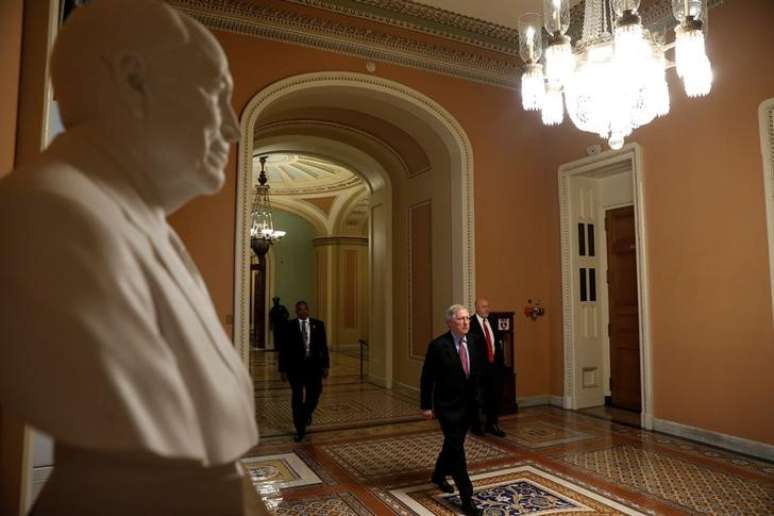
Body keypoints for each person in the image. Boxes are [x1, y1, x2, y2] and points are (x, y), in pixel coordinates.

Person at [0, 1, 265, 514]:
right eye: (216, 95)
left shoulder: (145, 226)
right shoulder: (44, 217)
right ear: (133, 79)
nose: (232, 128)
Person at [420, 305, 483, 516]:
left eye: (467, 319)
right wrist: (427, 406)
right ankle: (467, 498)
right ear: (449, 323)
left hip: (469, 407)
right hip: (447, 407)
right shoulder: (438, 346)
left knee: (453, 444)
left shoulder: (474, 341)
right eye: (460, 319)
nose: (466, 323)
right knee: (457, 450)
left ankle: (438, 474)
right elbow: (428, 378)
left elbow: (477, 374)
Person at [279, 301, 329, 442]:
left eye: (304, 309)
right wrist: (282, 369)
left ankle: (305, 414)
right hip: (295, 369)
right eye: (299, 309)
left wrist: (326, 366)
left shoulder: (318, 325)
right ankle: (300, 429)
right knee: (297, 397)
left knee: (315, 394)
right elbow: (283, 349)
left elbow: (323, 347)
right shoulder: (289, 326)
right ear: (296, 311)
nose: (302, 311)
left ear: (308, 310)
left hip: (314, 368)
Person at [468, 298, 507, 437]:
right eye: (484, 306)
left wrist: (501, 364)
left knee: (494, 397)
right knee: (478, 398)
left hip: (494, 368)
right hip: (478, 369)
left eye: (488, 306)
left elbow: (497, 343)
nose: (487, 309)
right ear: (477, 308)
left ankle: (492, 425)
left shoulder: (493, 321)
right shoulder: (470, 323)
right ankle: (476, 426)